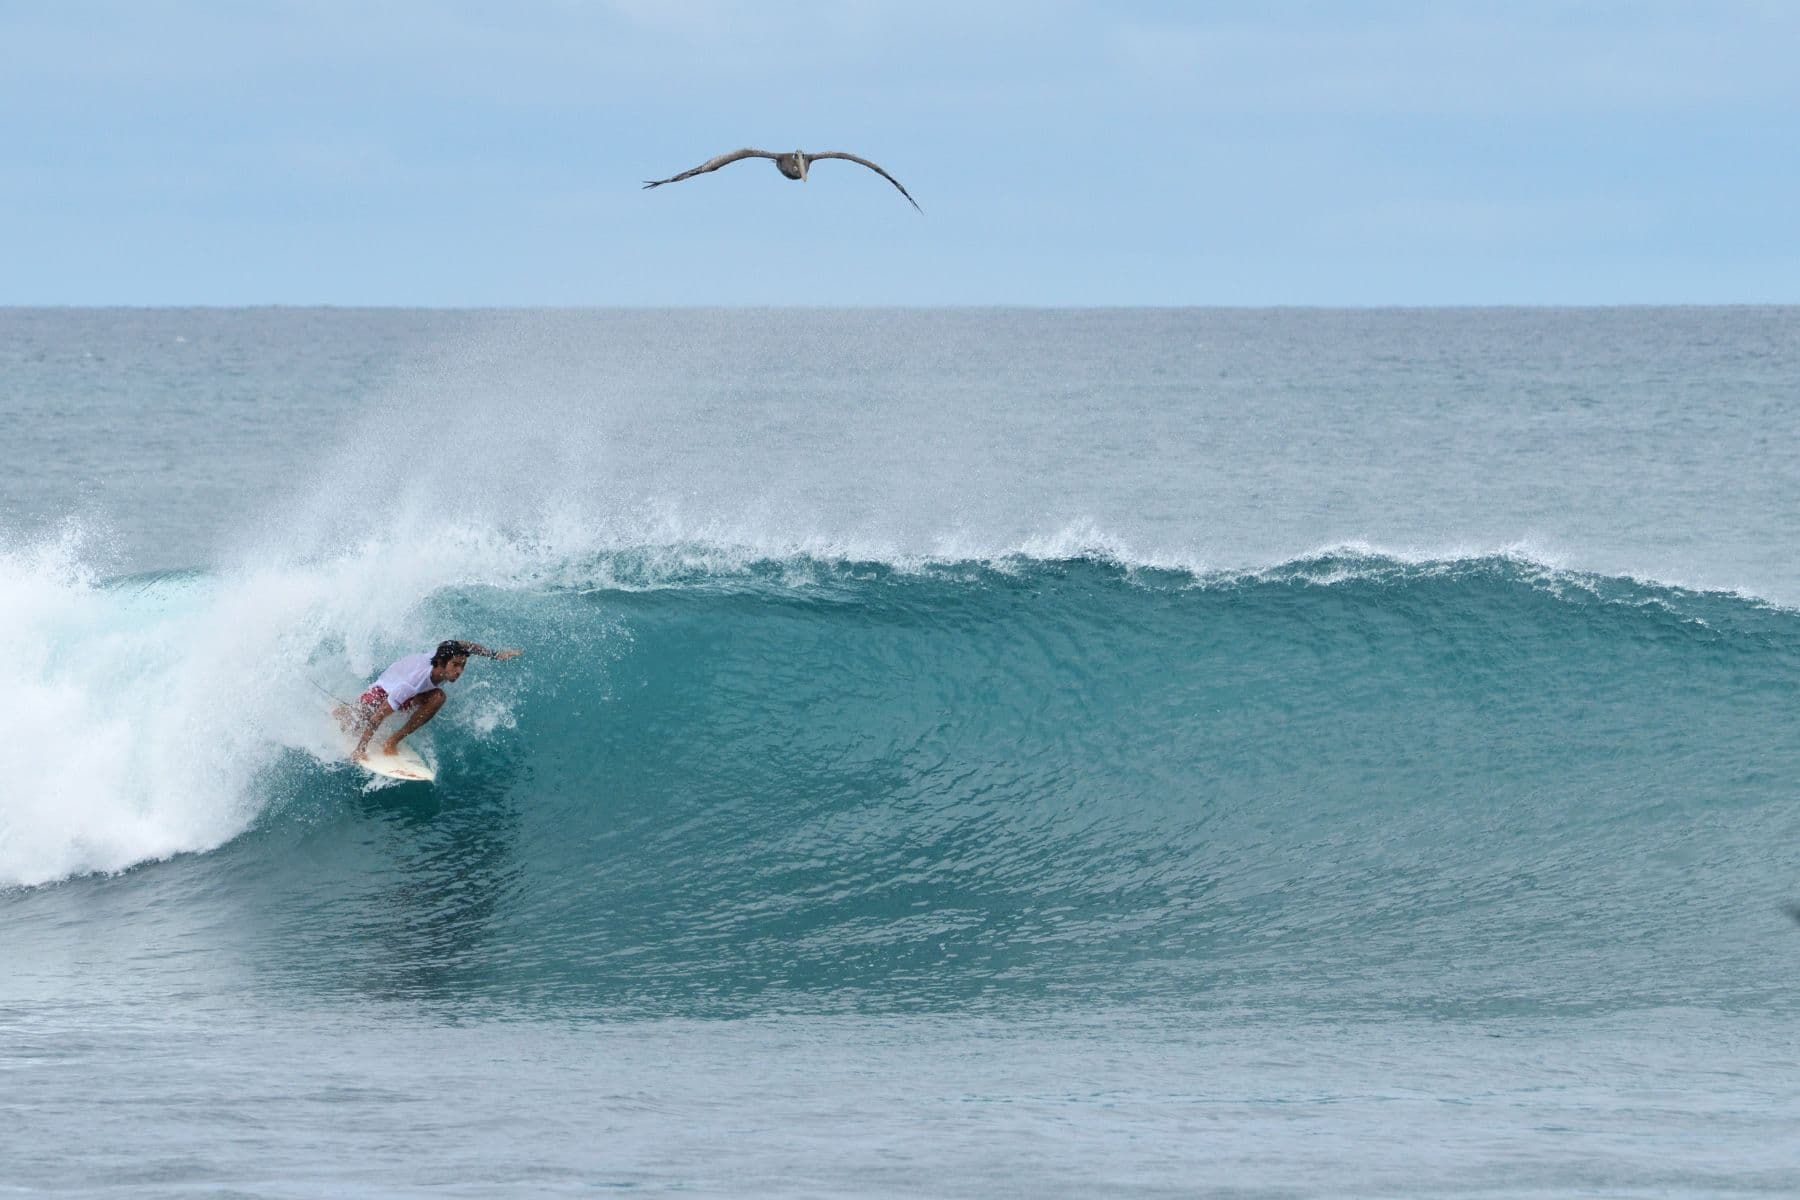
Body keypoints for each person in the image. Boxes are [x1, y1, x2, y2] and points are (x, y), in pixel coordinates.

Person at [341, 639, 522, 763]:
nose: (459, 671)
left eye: (462, 666)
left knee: (438, 697)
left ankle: (392, 740)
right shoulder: (411, 683)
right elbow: (378, 717)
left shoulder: (447, 654)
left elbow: (465, 645)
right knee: (356, 723)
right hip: (384, 690)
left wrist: (496, 655)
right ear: (441, 663)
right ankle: (344, 713)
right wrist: (361, 749)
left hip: (410, 689)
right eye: (455, 666)